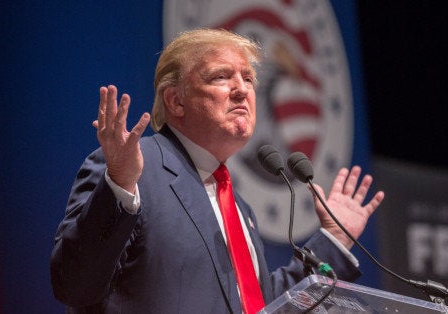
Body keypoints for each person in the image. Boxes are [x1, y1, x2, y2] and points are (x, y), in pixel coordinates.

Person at [50, 28, 384, 313]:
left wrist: (333, 240)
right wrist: (120, 184)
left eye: (248, 78)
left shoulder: (240, 208)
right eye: (221, 76)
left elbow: (262, 305)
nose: (242, 89)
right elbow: (75, 285)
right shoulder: (135, 170)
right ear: (176, 101)